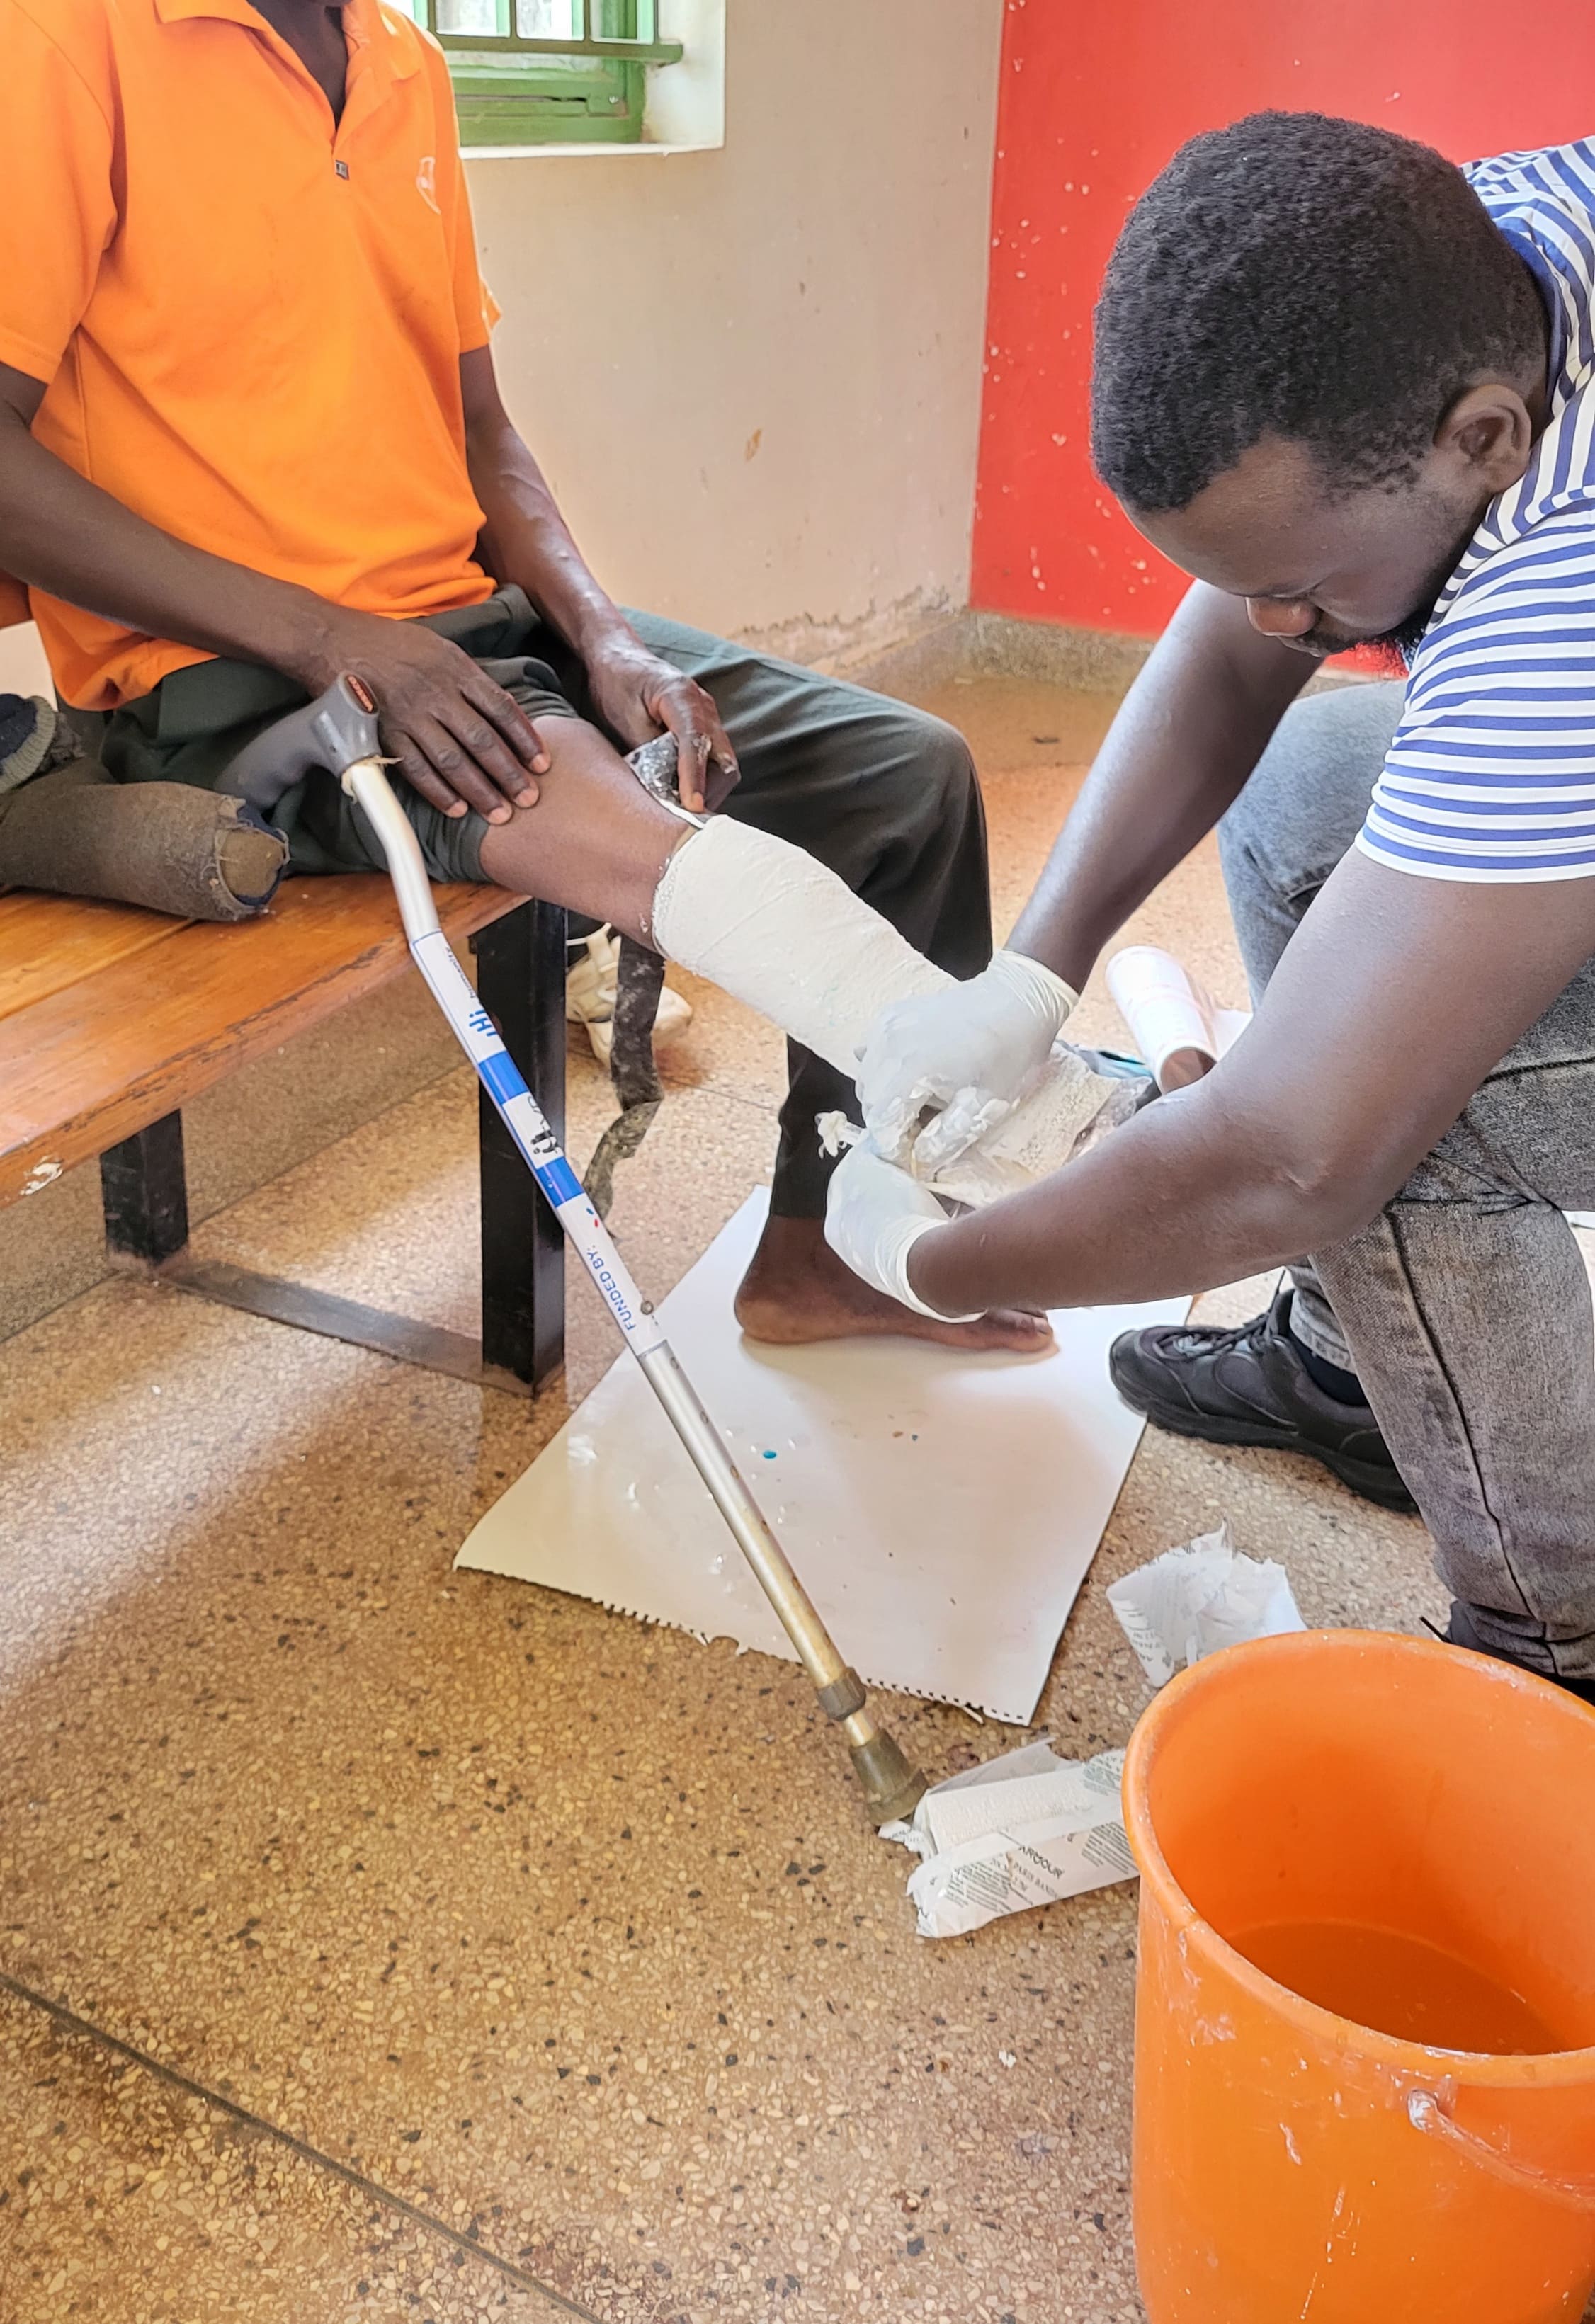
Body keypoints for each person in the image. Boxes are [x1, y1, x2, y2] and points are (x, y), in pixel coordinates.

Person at [0, 0, 1045, 1355]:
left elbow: (480, 425)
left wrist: (607, 638)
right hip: (233, 678)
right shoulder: (67, 40)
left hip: (458, 625)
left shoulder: (403, 61)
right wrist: (332, 638)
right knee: (647, 843)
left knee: (905, 772)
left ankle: (824, 1248)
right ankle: (1062, 1114)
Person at [827, 113, 1595, 1702]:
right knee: (1315, 770)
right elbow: (1246, 641)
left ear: (1485, 439)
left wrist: (929, 1264)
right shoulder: (1490, 252)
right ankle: (1352, 1367)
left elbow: (1294, 1150)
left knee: (1398, 1116)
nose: (1273, 618)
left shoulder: (1558, 604)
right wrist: (1031, 976)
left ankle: (1559, 1633)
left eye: (1305, 580)